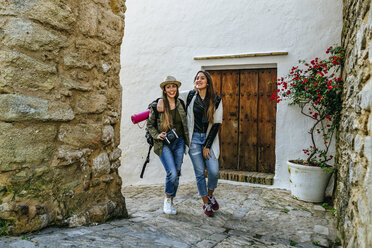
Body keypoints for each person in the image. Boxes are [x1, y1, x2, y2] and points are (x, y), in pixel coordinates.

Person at [180, 70, 223, 217]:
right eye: (197, 78)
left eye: (202, 78)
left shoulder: (216, 99)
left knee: (213, 171)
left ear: (208, 82)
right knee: (199, 173)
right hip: (194, 140)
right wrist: (156, 103)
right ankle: (205, 202)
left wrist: (207, 146)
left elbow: (217, 123)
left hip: (208, 139)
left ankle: (210, 194)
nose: (199, 80)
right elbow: (171, 96)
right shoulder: (191, 95)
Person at [146, 76, 189, 215]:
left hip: (179, 142)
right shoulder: (158, 105)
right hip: (163, 144)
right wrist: (157, 135)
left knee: (176, 172)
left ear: (177, 88)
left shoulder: (181, 103)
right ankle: (167, 199)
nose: (171, 89)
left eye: (174, 86)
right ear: (164, 90)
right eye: (168, 87)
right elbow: (150, 125)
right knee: (171, 172)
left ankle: (171, 199)